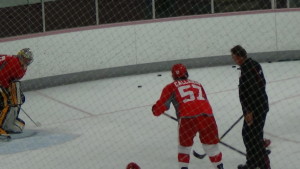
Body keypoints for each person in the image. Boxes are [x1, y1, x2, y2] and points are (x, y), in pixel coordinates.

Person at [152, 63, 224, 169]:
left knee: (184, 148)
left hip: (187, 118)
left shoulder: (170, 87)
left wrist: (155, 109)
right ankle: (220, 167)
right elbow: (205, 100)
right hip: (207, 116)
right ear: (186, 73)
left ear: (173, 76)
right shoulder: (197, 84)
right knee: (212, 147)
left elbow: (160, 108)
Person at [230, 45, 271, 169]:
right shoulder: (253, 64)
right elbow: (261, 84)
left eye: (233, 57)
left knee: (254, 136)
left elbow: (252, 91)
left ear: (239, 57)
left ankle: (263, 164)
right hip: (260, 105)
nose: (233, 59)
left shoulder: (247, 69)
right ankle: (253, 162)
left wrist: (249, 111)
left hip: (255, 108)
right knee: (249, 135)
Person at [0, 48, 33, 138]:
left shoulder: (20, 65)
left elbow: (12, 80)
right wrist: (7, 89)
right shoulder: (14, 63)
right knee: (8, 101)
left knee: (18, 98)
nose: (26, 61)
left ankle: (8, 121)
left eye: (28, 60)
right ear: (20, 56)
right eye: (25, 59)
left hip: (2, 81)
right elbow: (2, 77)